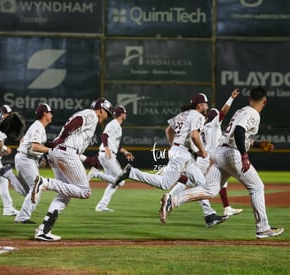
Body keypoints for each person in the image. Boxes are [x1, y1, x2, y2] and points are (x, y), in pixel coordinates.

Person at [160, 87, 284, 239]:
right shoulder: (253, 114)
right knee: (257, 187)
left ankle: (173, 200)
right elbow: (239, 131)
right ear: (264, 101)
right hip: (232, 154)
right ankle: (263, 228)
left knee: (210, 190)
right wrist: (244, 156)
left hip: (219, 152)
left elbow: (239, 134)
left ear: (249, 99)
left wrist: (258, 145)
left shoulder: (242, 111)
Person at [114, 93, 227, 227]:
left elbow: (168, 130)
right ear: (199, 105)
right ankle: (132, 173)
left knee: (201, 184)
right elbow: (194, 135)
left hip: (182, 153)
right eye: (206, 103)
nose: (207, 106)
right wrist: (202, 151)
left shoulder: (182, 115)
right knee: (165, 184)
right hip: (182, 154)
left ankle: (210, 216)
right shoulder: (198, 116)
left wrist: (174, 145)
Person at [31, 97, 113, 241]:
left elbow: (74, 142)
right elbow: (76, 122)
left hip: (59, 152)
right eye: (107, 113)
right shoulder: (91, 115)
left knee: (65, 194)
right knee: (85, 191)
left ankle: (43, 230)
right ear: (101, 110)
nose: (107, 116)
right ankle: (45, 183)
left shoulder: (88, 115)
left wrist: (87, 159)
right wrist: (61, 138)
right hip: (65, 152)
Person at [197, 89, 243, 217]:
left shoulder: (200, 125)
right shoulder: (214, 124)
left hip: (208, 156)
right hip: (208, 158)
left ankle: (226, 208)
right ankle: (172, 198)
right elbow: (223, 111)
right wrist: (231, 98)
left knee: (221, 182)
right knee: (197, 185)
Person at [8, 103, 53, 224]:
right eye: (50, 112)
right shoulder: (38, 126)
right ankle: (22, 217)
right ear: (45, 114)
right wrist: (51, 151)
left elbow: (26, 142)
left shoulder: (38, 127)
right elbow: (34, 147)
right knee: (36, 188)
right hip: (26, 159)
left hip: (27, 158)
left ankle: (9, 175)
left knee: (30, 191)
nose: (51, 115)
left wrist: (40, 158)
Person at [87, 105, 134, 212]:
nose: (126, 114)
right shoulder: (114, 124)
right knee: (121, 181)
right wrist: (107, 148)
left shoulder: (117, 126)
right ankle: (96, 174)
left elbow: (116, 145)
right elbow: (104, 136)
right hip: (107, 154)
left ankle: (101, 206)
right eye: (125, 113)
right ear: (121, 114)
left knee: (114, 183)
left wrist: (125, 152)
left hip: (108, 153)